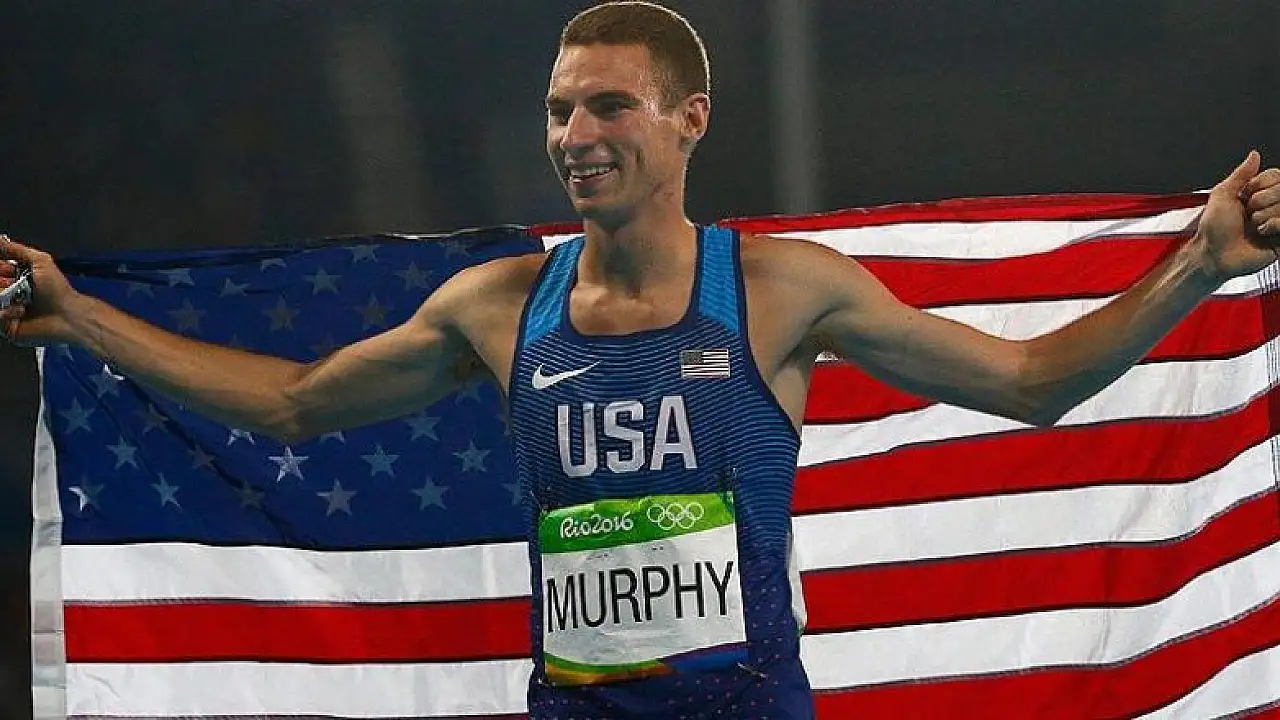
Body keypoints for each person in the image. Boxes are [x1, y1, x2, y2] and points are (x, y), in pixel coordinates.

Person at [3, 2, 1279, 717]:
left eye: (608, 104)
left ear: (687, 119)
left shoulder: (777, 291)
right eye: (558, 108)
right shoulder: (497, 307)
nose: (575, 133)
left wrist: (1196, 263)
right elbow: (291, 405)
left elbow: (1031, 383)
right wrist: (73, 315)